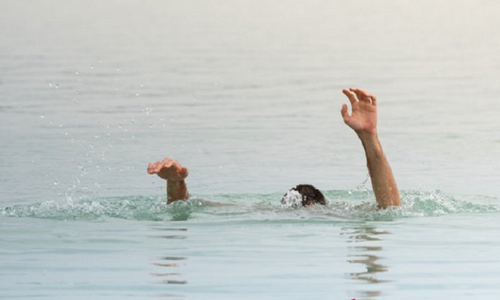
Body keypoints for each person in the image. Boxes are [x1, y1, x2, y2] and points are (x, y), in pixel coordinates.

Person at [147, 88, 400, 209]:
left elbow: (187, 207)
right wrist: (370, 138)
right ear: (320, 206)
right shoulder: (338, 214)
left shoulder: (261, 211)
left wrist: (175, 184)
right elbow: (390, 208)